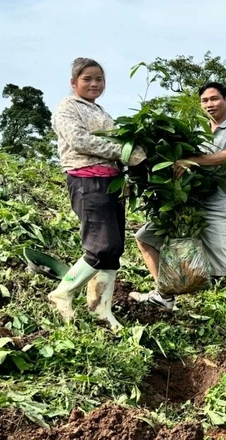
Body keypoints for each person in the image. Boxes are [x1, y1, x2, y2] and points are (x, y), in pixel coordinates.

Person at [130, 82, 226, 346]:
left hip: (219, 206)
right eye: (205, 100)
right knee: (145, 237)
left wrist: (192, 160)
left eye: (215, 99)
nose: (209, 104)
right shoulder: (197, 131)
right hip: (190, 203)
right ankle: (165, 294)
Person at [49, 57, 145, 331]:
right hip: (86, 180)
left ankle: (100, 309)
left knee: (113, 249)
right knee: (100, 246)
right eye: (87, 79)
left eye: (99, 79)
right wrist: (124, 152)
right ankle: (62, 294)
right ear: (73, 82)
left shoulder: (101, 111)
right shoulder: (67, 108)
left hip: (111, 183)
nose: (94, 84)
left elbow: (117, 142)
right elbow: (80, 140)